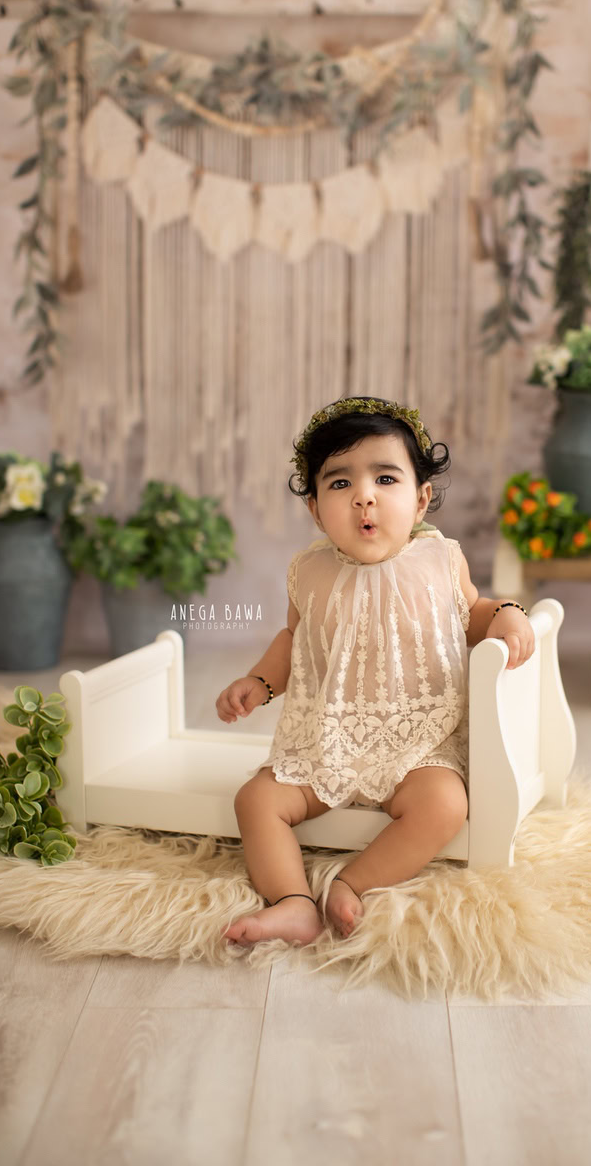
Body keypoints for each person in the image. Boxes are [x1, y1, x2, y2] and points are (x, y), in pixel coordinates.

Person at [216, 396, 535, 949]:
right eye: (340, 483)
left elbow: (473, 615)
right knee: (255, 800)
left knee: (444, 805)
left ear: (421, 499)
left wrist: (507, 611)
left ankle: (354, 882)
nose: (364, 496)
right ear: (316, 510)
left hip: (418, 743)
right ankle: (293, 903)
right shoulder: (309, 571)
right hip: (327, 742)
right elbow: (294, 641)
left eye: (385, 479)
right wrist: (260, 682)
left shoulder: (439, 560)